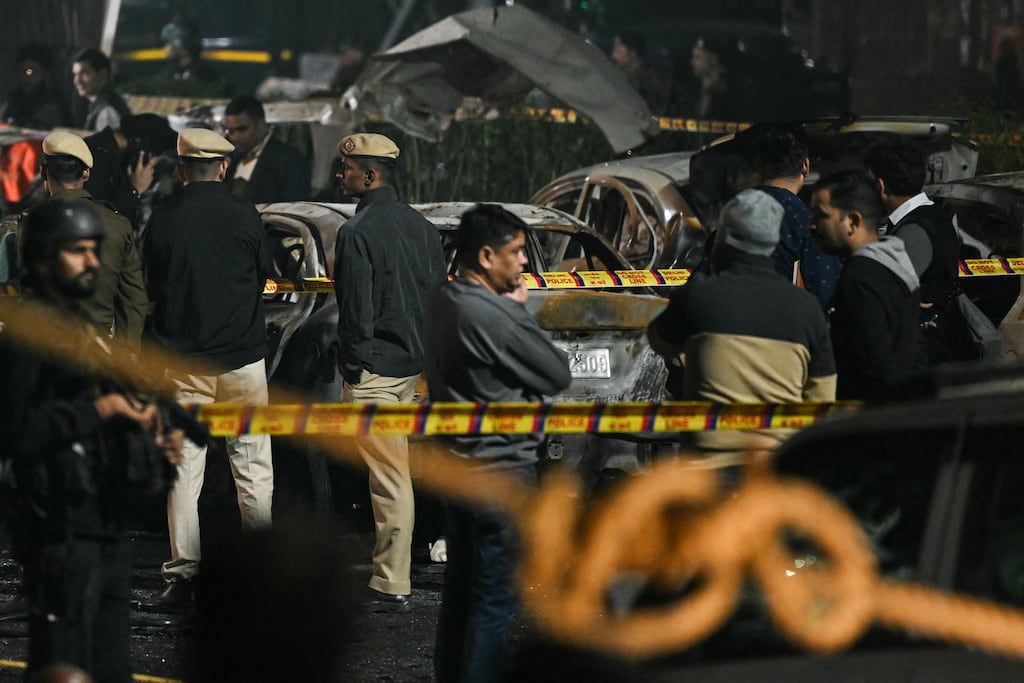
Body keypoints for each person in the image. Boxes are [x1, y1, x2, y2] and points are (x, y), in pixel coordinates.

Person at [0, 199, 182, 681]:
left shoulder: (81, 330)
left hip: (103, 526)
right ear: (42, 257)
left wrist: (144, 436)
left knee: (110, 667)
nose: (92, 263)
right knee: (65, 666)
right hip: (60, 533)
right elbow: (16, 432)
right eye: (77, 251)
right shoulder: (28, 334)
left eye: (93, 250)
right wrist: (102, 409)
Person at [423, 203, 572, 683]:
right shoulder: (491, 314)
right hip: (500, 470)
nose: (525, 263)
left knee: (462, 595)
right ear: (486, 257)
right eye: (516, 253)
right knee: (493, 603)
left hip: (459, 467)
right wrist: (519, 313)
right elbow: (555, 373)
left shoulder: (444, 301)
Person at [139, 128, 274, 612]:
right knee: (253, 467)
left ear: (180, 170)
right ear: (222, 168)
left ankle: (183, 576)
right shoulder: (245, 214)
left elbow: (151, 284)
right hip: (242, 358)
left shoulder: (163, 219)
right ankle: (259, 573)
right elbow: (263, 276)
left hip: (184, 363)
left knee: (183, 470)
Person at [333, 132, 447, 613]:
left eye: (348, 169)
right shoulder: (423, 228)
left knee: (388, 480)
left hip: (376, 371)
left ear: (371, 175)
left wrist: (352, 367)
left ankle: (391, 581)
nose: (341, 175)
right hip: (417, 371)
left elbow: (355, 312)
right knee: (399, 475)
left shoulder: (356, 233)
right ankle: (396, 568)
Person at [647, 188, 836, 455]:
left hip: (708, 463)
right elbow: (821, 398)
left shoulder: (698, 296)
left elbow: (659, 339)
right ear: (772, 243)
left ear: (722, 242)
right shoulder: (807, 309)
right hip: (775, 465)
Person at [809, 171, 921, 400]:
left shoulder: (860, 279)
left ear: (852, 221)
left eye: (820, 216)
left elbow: (875, 366)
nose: (811, 225)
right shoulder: (895, 265)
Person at [39, 131, 147, 350]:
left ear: (43, 172)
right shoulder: (118, 225)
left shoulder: (28, 226)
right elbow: (133, 300)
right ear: (86, 174)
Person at [866, 141, 959, 366]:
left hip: (920, 354)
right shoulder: (933, 217)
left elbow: (883, 297)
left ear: (880, 185)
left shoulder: (913, 232)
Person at [754, 125, 841, 309]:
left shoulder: (732, 212)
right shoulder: (806, 220)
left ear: (759, 166)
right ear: (806, 166)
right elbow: (825, 290)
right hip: (783, 326)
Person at [223, 95, 311, 203]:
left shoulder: (288, 160)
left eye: (242, 129)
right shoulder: (231, 159)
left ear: (261, 124)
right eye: (230, 131)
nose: (235, 137)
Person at [0, 43, 69, 129]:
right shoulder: (12, 99)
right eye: (22, 71)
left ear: (45, 73)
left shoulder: (57, 100)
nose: (25, 77)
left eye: (31, 71)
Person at [609, 31, 677, 116]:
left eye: (618, 50)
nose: (613, 55)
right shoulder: (616, 75)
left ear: (633, 53)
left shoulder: (651, 78)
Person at [71, 48, 131, 132]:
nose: (77, 81)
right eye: (75, 74)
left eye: (84, 73)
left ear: (103, 74)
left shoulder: (107, 112)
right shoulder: (100, 106)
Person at [689, 36, 733, 119]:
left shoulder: (732, 89)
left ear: (713, 59)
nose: (692, 62)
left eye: (698, 57)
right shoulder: (694, 89)